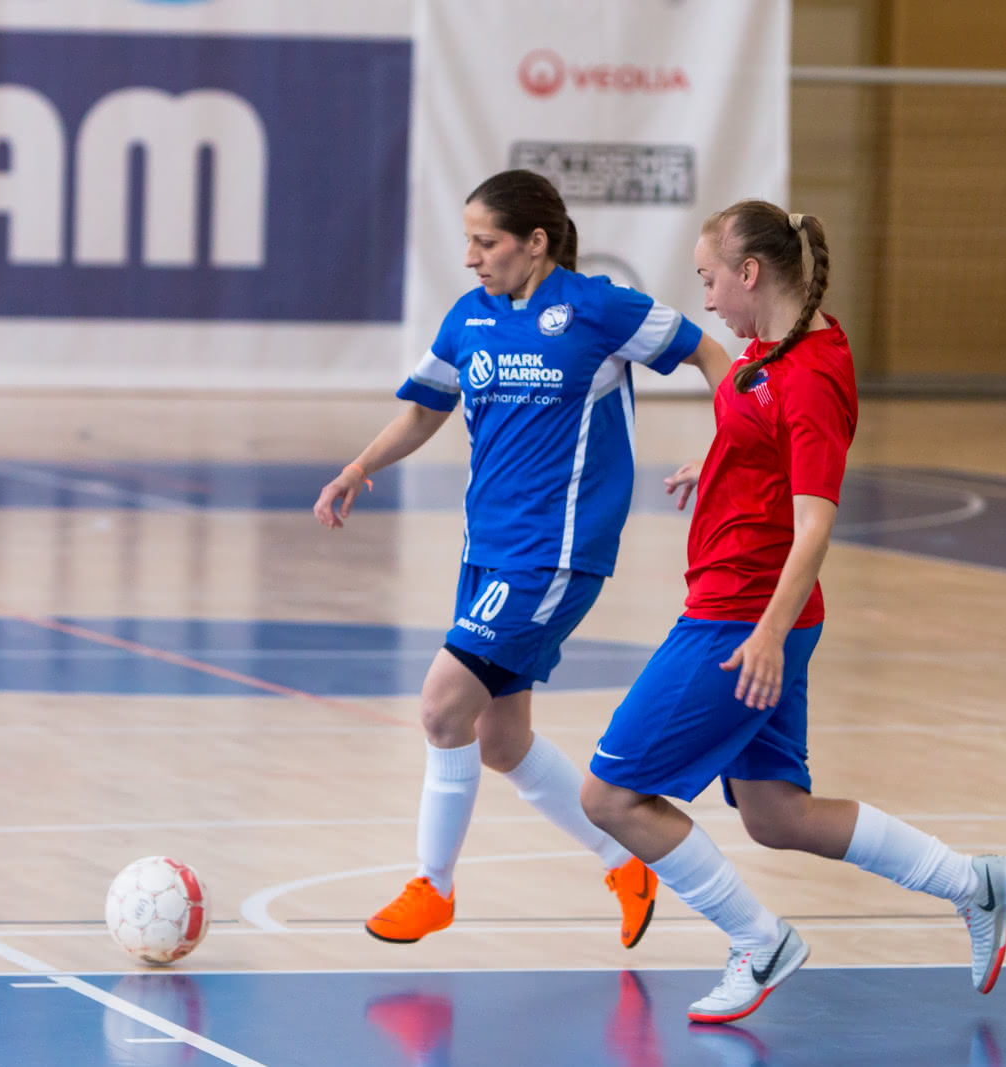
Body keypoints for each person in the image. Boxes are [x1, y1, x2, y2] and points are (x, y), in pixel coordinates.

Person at [579, 201, 1006, 1025]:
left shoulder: (812, 375)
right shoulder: (774, 351)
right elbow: (758, 418)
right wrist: (716, 457)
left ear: (750, 273)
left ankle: (759, 939)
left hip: (741, 618)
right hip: (752, 610)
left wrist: (769, 635)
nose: (705, 299)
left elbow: (816, 519)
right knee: (778, 814)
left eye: (710, 279)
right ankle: (975, 881)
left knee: (609, 796)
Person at [313, 169, 731, 949]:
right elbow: (423, 410)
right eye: (466, 240)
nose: (471, 257)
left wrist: (722, 446)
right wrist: (358, 466)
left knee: (442, 705)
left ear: (535, 242)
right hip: (488, 552)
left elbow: (714, 356)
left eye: (486, 241)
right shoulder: (468, 319)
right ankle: (623, 857)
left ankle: (433, 887)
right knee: (501, 740)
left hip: (554, 556)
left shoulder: (601, 308)